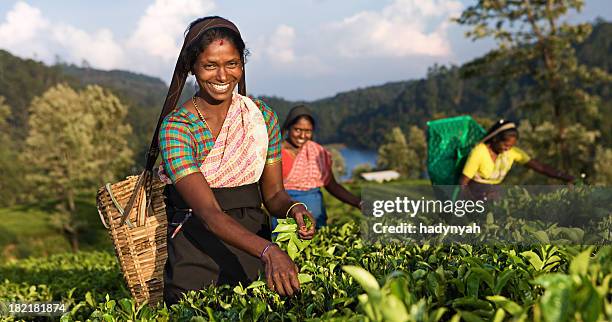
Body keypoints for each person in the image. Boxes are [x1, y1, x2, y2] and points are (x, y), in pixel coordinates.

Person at [156, 16, 316, 305]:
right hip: (197, 251)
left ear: (242, 65)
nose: (222, 76)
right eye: (209, 65)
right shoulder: (177, 127)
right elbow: (209, 213)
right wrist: (269, 251)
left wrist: (295, 208)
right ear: (192, 67)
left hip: (253, 251)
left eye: (232, 64)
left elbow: (274, 194)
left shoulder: (261, 117)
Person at [272, 105, 362, 230]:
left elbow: (332, 185)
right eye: (297, 130)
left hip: (316, 216)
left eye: (308, 131)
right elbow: (270, 191)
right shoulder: (275, 153)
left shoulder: (317, 152)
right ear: (288, 128)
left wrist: (358, 202)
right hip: (285, 216)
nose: (302, 136)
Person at [459, 119, 574, 200]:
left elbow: (540, 168)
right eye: (505, 145)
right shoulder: (479, 152)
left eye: (510, 146)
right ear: (495, 139)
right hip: (475, 194)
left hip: (493, 194)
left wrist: (564, 177)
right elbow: (463, 183)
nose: (507, 149)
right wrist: (472, 203)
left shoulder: (511, 153)